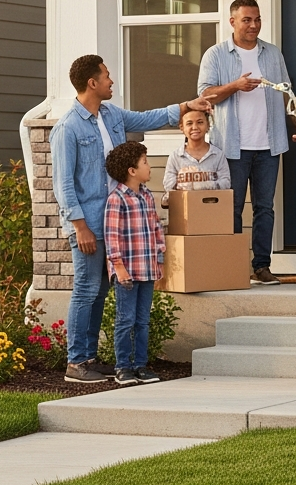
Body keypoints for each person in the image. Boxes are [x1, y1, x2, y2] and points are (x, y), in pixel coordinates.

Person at [50, 54, 211, 384]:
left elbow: (148, 117)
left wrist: (185, 106)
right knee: (86, 290)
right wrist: (79, 226)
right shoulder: (68, 127)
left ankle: (90, 358)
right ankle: (76, 362)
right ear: (92, 83)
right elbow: (63, 183)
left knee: (100, 292)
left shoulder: (110, 114)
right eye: (107, 77)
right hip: (89, 224)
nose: (112, 82)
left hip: (115, 221)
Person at [197, 0, 296, 285]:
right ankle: (233, 266)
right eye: (247, 19)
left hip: (269, 145)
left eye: (257, 19)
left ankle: (261, 267)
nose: (254, 25)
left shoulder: (272, 54)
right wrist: (235, 85)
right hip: (231, 146)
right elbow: (205, 96)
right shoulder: (216, 55)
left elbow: (287, 94)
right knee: (231, 207)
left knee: (264, 207)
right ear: (232, 21)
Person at [102, 141, 163, 386]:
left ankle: (140, 365)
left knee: (142, 320)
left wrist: (160, 259)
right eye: (145, 162)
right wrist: (118, 266)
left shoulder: (147, 195)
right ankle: (123, 367)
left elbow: (156, 228)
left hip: (147, 269)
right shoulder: (117, 199)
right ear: (131, 170)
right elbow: (112, 236)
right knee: (125, 320)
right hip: (127, 272)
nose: (149, 167)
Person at [162, 106, 231, 203]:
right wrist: (187, 186)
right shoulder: (176, 156)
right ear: (182, 127)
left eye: (200, 122)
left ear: (208, 125)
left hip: (211, 208)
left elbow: (226, 183)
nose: (195, 127)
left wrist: (205, 185)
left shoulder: (217, 155)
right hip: (184, 209)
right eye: (189, 123)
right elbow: (168, 185)